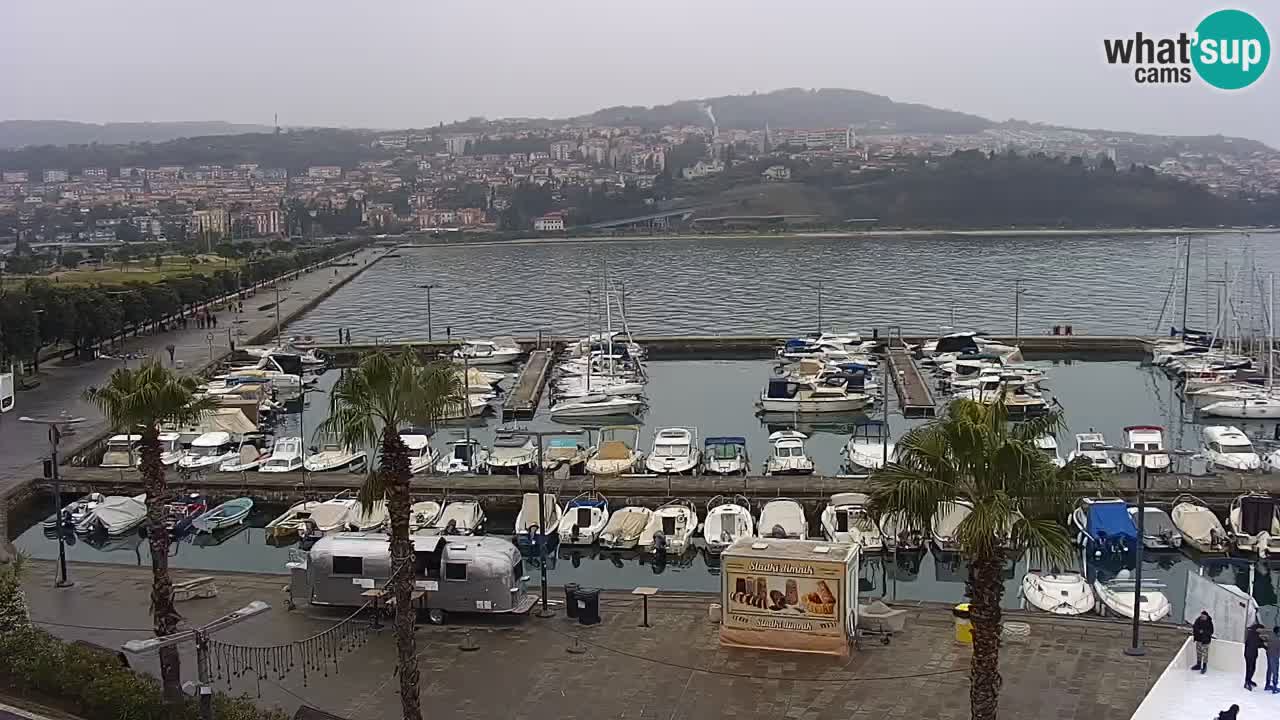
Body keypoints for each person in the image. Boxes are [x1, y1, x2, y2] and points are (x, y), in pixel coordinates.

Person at [1245, 622, 1264, 690]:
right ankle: (1247, 682)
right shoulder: (1252, 634)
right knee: (1250, 669)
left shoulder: (1254, 633)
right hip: (1249, 654)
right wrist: (1264, 644)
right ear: (1258, 628)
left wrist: (1263, 643)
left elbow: (1258, 643)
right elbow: (1257, 644)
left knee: (1252, 668)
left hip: (1252, 654)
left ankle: (1249, 680)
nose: (1262, 631)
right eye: (1261, 630)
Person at [1268, 626, 1280, 692]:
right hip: (1275, 656)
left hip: (1270, 655)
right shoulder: (1278, 639)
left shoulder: (1270, 637)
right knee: (1275, 672)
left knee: (1270, 670)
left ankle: (1267, 685)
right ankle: (1274, 687)